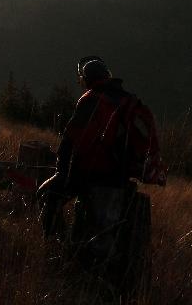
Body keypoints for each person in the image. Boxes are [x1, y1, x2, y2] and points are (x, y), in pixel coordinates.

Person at [37, 56, 141, 236]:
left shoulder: (89, 100)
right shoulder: (127, 100)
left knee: (45, 194)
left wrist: (63, 172)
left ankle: (54, 241)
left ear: (86, 80)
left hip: (91, 174)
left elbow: (70, 141)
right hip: (120, 176)